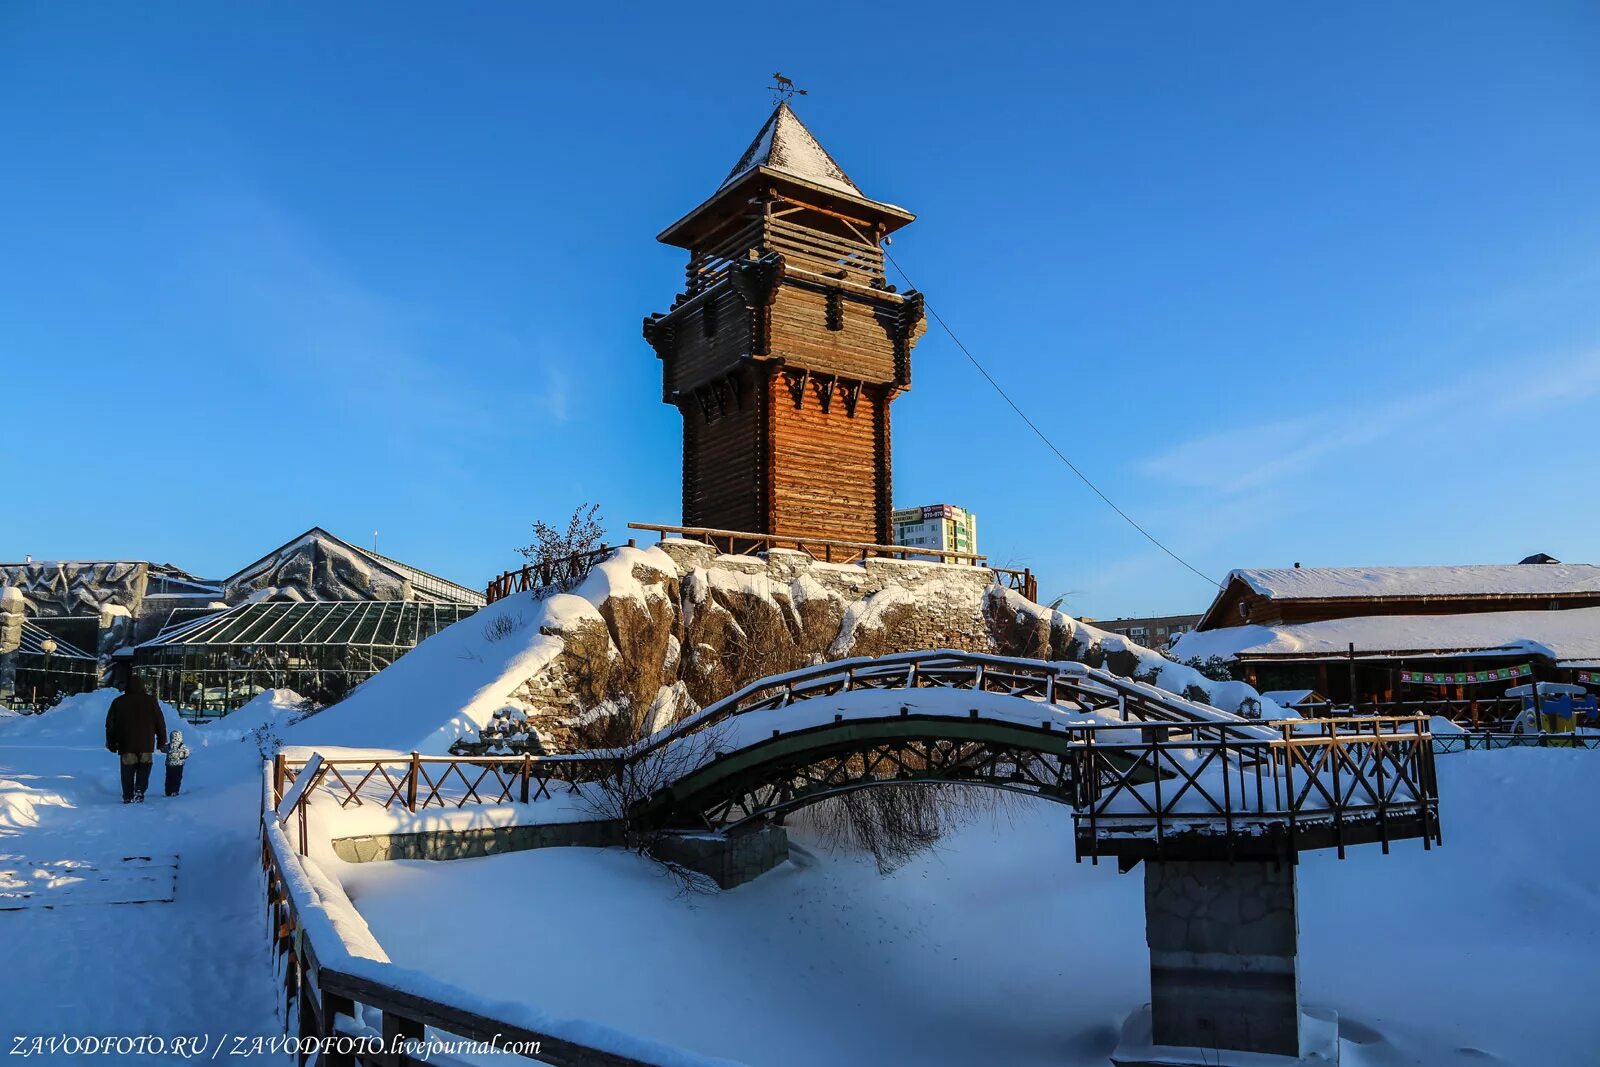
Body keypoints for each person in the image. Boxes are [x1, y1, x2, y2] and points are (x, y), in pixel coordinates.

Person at [105, 677, 167, 803]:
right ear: (143, 686)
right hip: (146, 744)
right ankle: (140, 790)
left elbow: (110, 725)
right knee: (144, 768)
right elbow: (160, 722)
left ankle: (128, 795)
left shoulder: (118, 702)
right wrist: (161, 741)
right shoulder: (151, 701)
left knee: (127, 770)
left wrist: (111, 743)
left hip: (126, 743)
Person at [163, 729, 189, 797]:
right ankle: (175, 790)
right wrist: (182, 756)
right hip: (179, 765)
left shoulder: (169, 745)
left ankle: (168, 791)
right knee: (177, 778)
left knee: (169, 778)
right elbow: (187, 754)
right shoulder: (182, 745)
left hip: (169, 765)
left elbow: (163, 749)